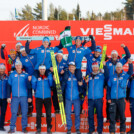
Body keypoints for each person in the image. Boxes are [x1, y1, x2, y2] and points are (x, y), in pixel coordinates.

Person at [106, 44, 131, 122]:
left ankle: (118, 118)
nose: (114, 56)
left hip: (119, 83)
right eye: (112, 55)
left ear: (117, 56)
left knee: (118, 102)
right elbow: (103, 70)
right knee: (109, 101)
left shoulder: (120, 61)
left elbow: (128, 55)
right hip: (110, 83)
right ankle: (109, 118)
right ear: (111, 56)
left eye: (115, 55)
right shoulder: (107, 63)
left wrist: (125, 47)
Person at [107, 59, 133, 134]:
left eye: (120, 67)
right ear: (116, 68)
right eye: (117, 67)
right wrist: (108, 98)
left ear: (122, 68)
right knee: (112, 116)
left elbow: (130, 72)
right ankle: (112, 131)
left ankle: (122, 131)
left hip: (121, 99)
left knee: (122, 115)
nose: (118, 68)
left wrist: (130, 64)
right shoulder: (111, 77)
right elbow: (108, 88)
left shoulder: (125, 76)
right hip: (113, 99)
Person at [7, 60, 32, 134]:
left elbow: (29, 87)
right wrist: (8, 96)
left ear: (21, 66)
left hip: (24, 97)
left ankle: (24, 128)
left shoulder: (26, 75)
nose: (18, 67)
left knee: (24, 112)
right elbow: (8, 86)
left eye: (19, 65)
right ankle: (12, 128)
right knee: (14, 112)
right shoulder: (12, 75)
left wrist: (29, 96)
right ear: (15, 66)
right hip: (14, 97)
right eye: (17, 65)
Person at [85, 62, 109, 134]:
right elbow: (84, 85)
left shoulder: (101, 75)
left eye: (96, 67)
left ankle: (99, 130)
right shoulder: (88, 76)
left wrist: (105, 67)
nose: (95, 68)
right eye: (94, 67)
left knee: (99, 115)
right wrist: (85, 82)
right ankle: (91, 130)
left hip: (99, 99)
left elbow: (107, 77)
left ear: (98, 67)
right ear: (92, 68)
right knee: (90, 116)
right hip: (90, 99)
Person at [30, 64, 54, 134]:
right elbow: (33, 86)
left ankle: (49, 128)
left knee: (48, 114)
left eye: (43, 69)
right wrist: (34, 79)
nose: (42, 70)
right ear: (39, 70)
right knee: (38, 114)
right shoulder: (37, 76)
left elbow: (51, 84)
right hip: (38, 98)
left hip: (47, 97)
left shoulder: (48, 76)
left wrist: (50, 77)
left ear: (45, 70)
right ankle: (38, 129)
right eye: (41, 69)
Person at [61, 62, 83, 134]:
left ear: (75, 67)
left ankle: (77, 128)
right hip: (68, 98)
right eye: (70, 67)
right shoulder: (66, 75)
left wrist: (81, 85)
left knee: (77, 114)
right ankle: (69, 128)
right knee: (68, 114)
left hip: (76, 98)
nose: (71, 68)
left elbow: (83, 86)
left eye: (72, 67)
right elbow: (63, 84)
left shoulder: (78, 75)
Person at [19, 46, 36, 116]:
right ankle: (30, 110)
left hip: (37, 74)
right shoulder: (21, 59)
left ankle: (39, 111)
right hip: (28, 77)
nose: (24, 52)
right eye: (22, 51)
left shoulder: (32, 54)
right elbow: (20, 68)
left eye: (24, 50)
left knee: (38, 92)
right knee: (29, 92)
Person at [0, 63, 8, 131]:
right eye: (0, 68)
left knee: (3, 113)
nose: (1, 69)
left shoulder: (7, 77)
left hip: (4, 98)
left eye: (3, 68)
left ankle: (1, 126)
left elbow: (8, 88)